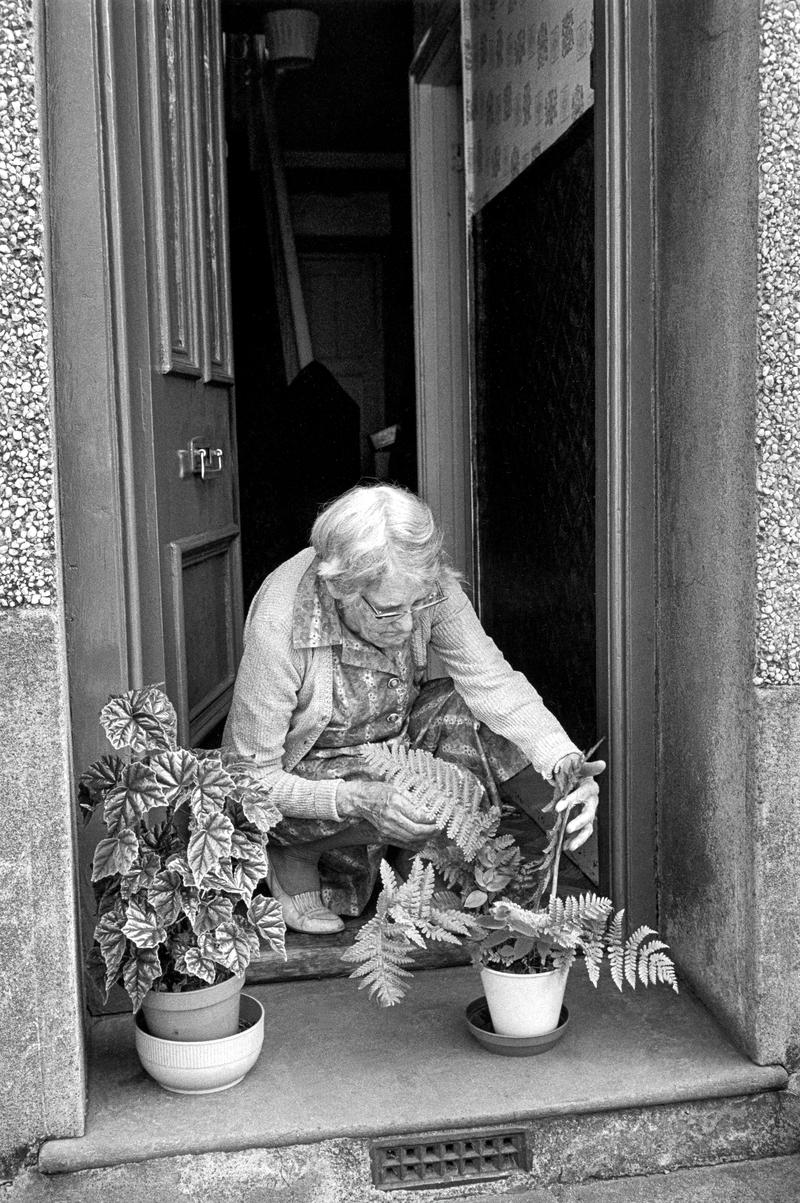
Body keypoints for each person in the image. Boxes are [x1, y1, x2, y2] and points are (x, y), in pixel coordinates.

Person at [223, 485, 604, 934]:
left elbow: (491, 681)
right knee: (406, 790)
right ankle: (299, 854)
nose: (407, 624)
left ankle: (415, 864)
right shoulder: (281, 622)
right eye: (387, 612)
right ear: (340, 588)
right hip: (310, 772)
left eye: (417, 605)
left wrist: (566, 763)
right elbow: (246, 776)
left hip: (395, 739)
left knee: (470, 715)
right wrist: (351, 798)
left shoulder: (422, 585)